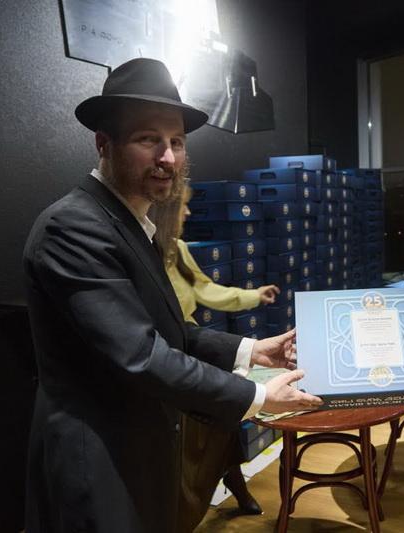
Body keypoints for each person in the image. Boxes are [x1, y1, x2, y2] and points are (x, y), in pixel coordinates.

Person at [23, 58, 322, 533]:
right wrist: (258, 395)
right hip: (97, 464)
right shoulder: (73, 227)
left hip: (140, 451)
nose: (168, 158)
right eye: (149, 139)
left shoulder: (131, 225)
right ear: (104, 144)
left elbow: (166, 330)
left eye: (177, 142)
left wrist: (249, 350)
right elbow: (140, 355)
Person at [150, 184, 279, 529]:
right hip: (164, 368)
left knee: (224, 425)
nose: (188, 213)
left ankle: (236, 488)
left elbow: (206, 290)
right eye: (183, 206)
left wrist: (254, 296)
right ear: (166, 210)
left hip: (195, 353)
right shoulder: (141, 255)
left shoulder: (178, 250)